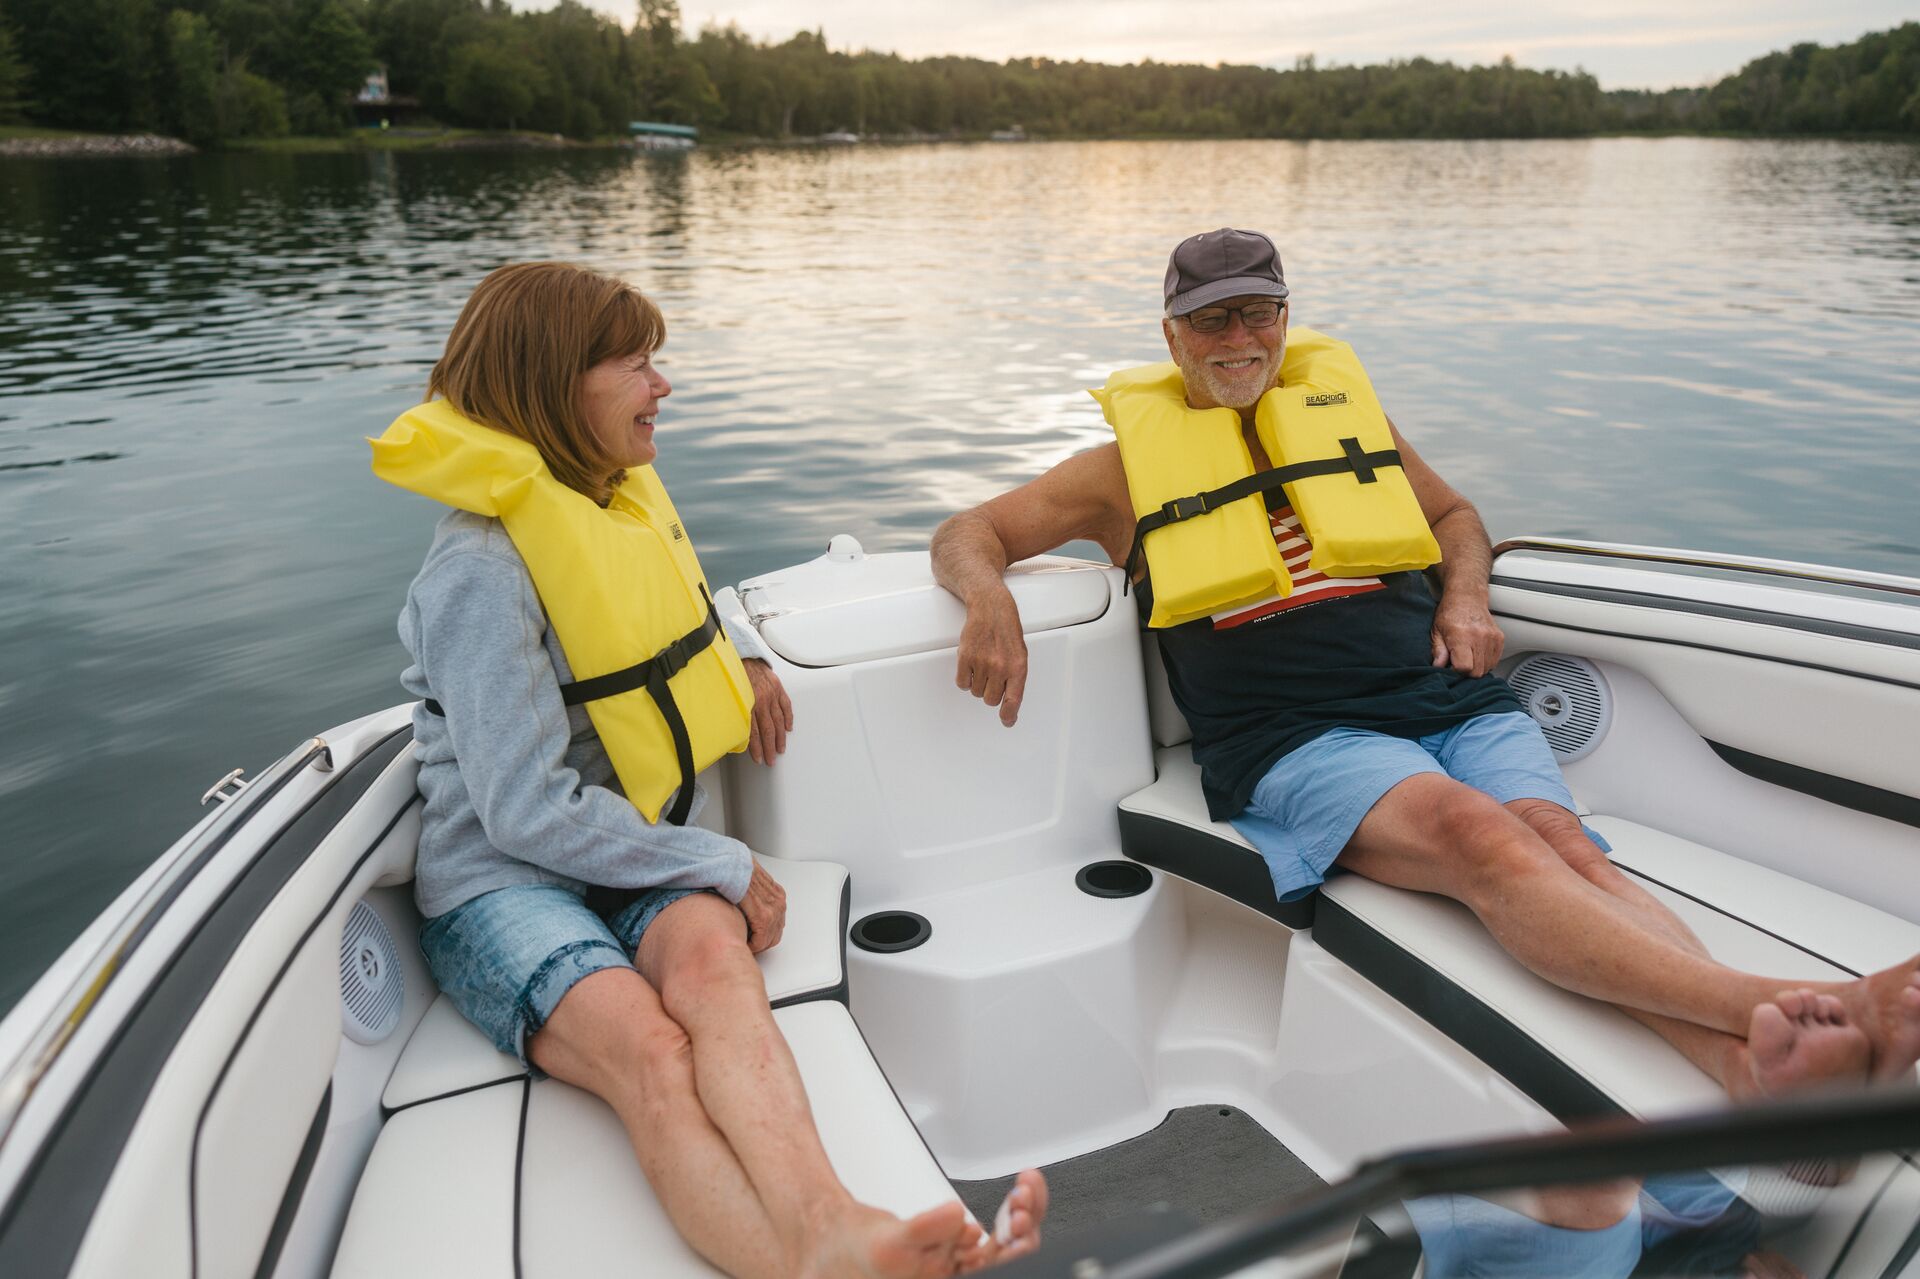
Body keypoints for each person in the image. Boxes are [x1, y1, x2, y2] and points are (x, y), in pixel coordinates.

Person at [931, 227, 1920, 1104]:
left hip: (1440, 694)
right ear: (1172, 335)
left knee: (1559, 844)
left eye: (1260, 315)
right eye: (1213, 321)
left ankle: (1742, 1068)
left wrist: (1466, 597)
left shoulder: (1344, 415)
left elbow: (1455, 517)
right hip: (1293, 735)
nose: (1241, 340)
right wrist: (989, 597)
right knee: (1477, 835)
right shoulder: (1116, 471)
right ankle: (1797, 1005)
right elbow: (972, 528)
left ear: (1286, 316)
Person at [373, 262, 1047, 1279]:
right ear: (556, 384)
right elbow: (520, 811)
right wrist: (719, 860)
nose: (663, 386)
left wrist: (743, 653)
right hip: (501, 883)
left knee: (719, 975)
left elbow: (668, 603)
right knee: (654, 1051)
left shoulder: (610, 503)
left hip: (623, 851)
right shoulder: (479, 571)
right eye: (637, 364)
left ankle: (832, 1224)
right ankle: (810, 1265)